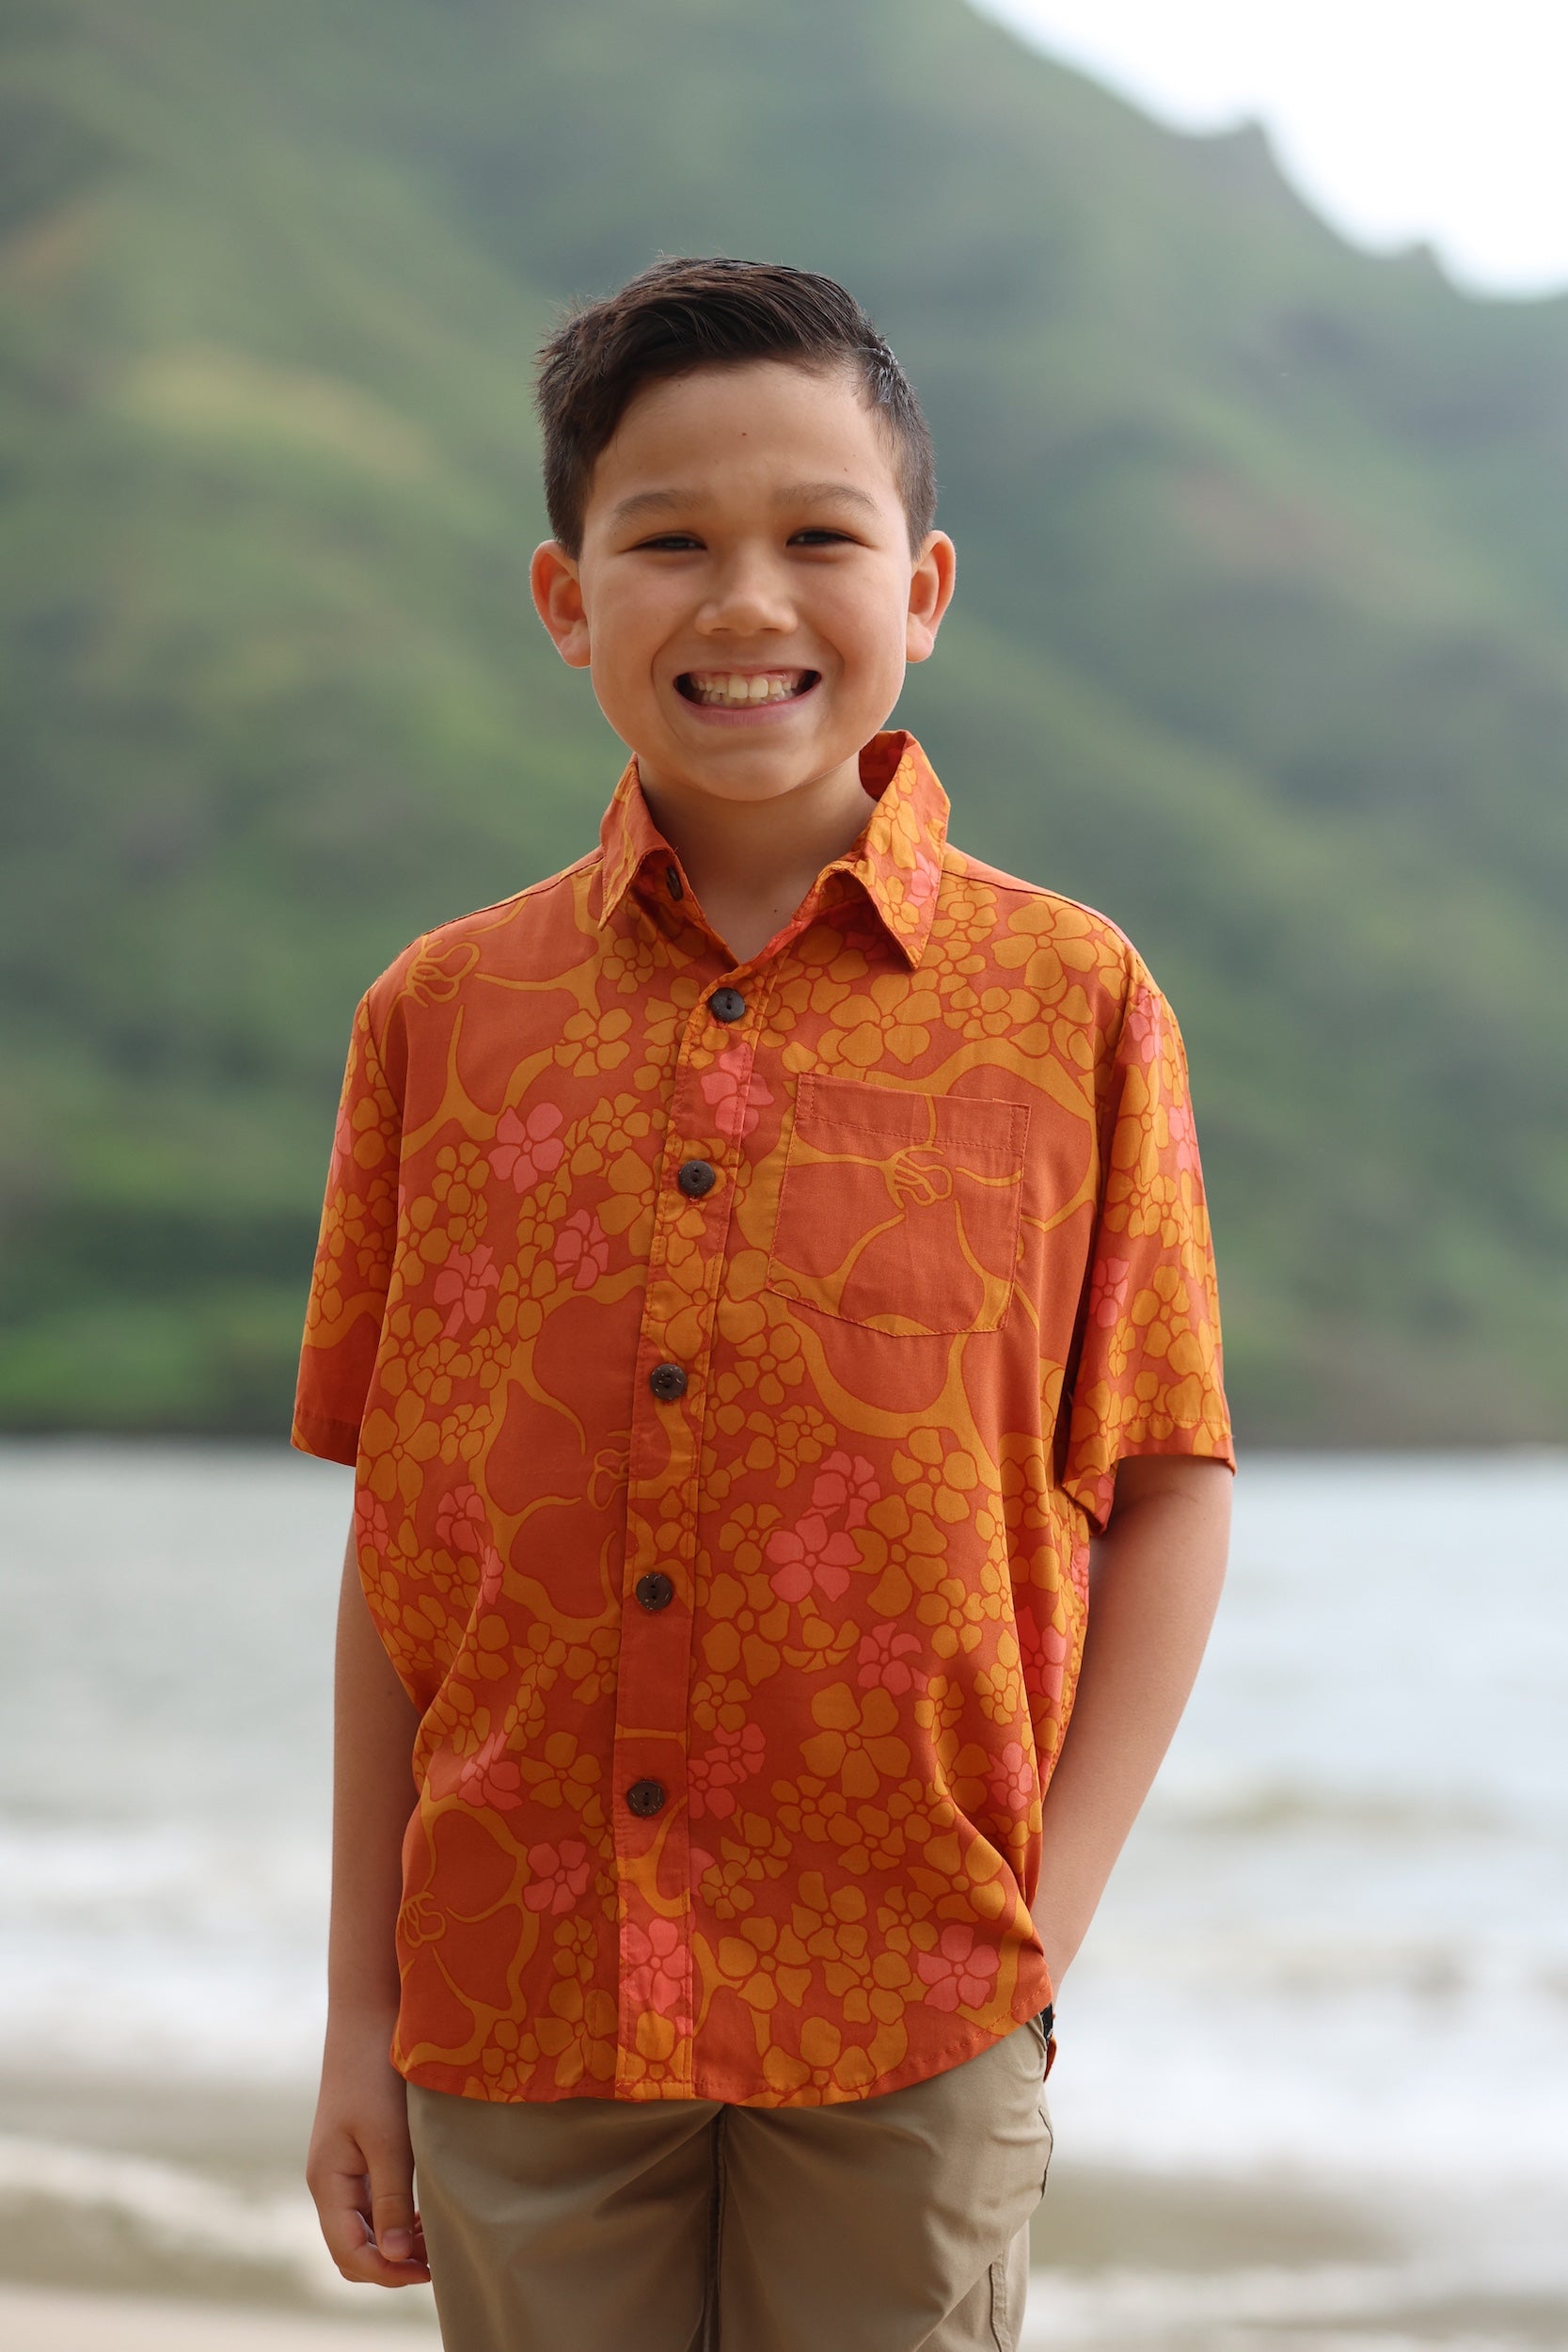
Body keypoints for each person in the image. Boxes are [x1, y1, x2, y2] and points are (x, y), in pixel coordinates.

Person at [295, 256, 1234, 2352]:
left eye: (819, 536)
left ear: (925, 589)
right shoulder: (440, 1021)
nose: (746, 602)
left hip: (916, 1999)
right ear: (566, 598)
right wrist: (358, 2009)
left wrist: (1035, 1938)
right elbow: (400, 1560)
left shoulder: (1077, 1005)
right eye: (671, 542)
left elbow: (1169, 1490)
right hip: (516, 1998)